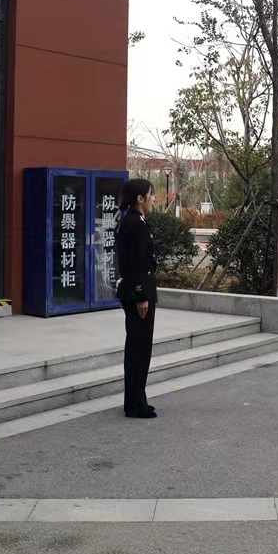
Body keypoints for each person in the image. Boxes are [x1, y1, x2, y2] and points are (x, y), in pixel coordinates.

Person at [115, 178, 159, 419]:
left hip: (137, 292)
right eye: (151, 195)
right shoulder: (134, 224)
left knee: (138, 349)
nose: (154, 199)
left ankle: (136, 400)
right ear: (140, 198)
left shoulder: (134, 221)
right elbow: (135, 264)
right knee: (139, 350)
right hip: (138, 295)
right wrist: (141, 295)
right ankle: (135, 405)